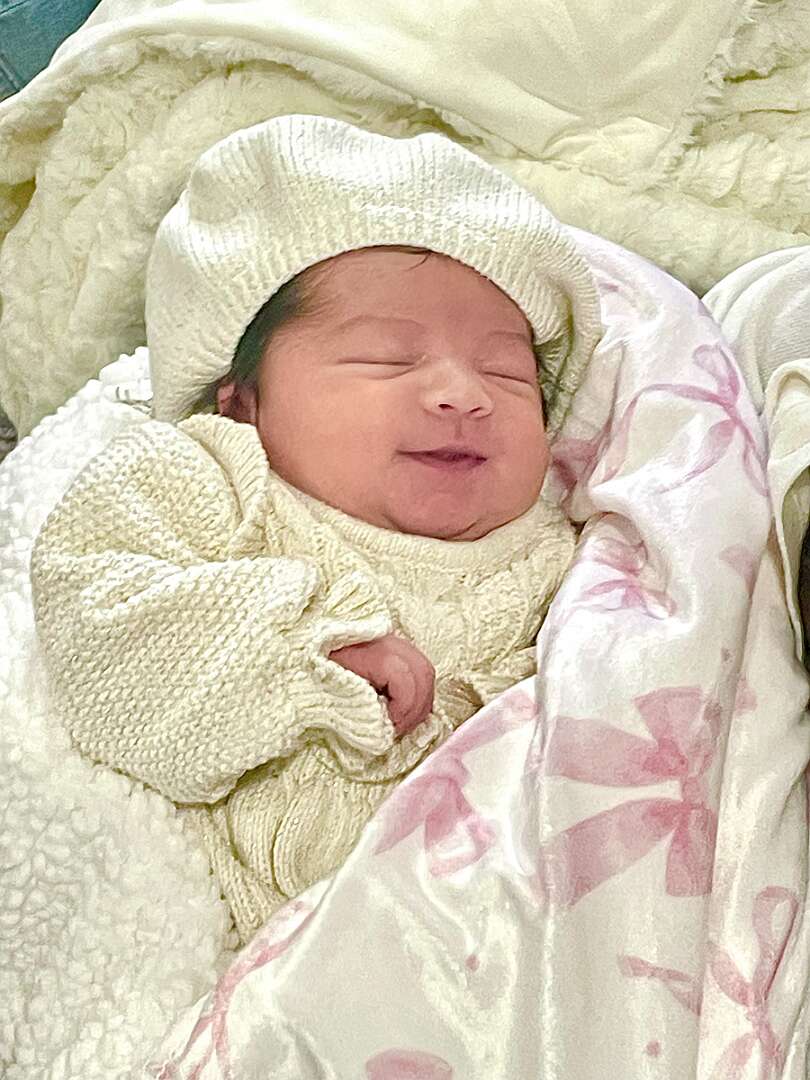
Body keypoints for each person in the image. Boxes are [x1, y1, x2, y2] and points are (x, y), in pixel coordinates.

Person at [29, 113, 604, 945]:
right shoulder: (212, 478)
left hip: (522, 935)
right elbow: (94, 619)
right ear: (241, 401)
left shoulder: (567, 551)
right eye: (387, 359)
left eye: (507, 372)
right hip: (289, 955)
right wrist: (302, 652)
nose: (463, 394)